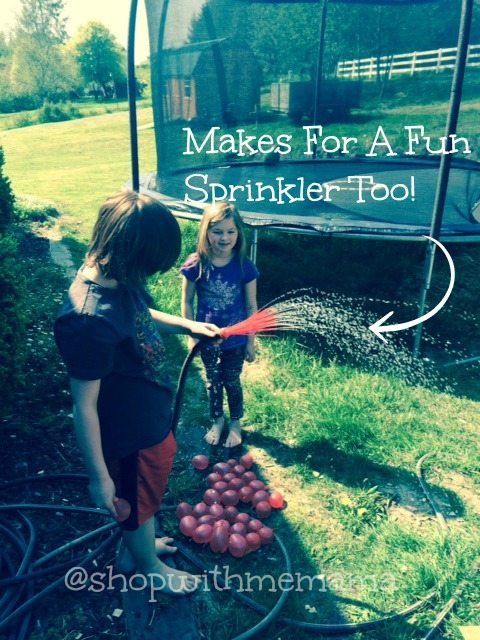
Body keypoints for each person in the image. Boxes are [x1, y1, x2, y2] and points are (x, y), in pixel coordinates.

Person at [54, 191, 219, 594]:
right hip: (128, 439)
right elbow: (84, 406)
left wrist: (188, 326)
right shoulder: (87, 321)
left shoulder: (115, 276)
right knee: (134, 504)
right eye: (149, 267)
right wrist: (98, 478)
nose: (150, 277)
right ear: (130, 255)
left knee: (145, 500)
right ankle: (148, 568)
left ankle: (136, 552)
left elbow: (139, 316)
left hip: (147, 424)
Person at [180, 201, 259, 448]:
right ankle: (217, 420)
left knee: (232, 380)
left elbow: (250, 306)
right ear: (205, 232)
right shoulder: (196, 264)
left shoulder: (244, 266)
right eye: (217, 231)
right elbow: (187, 302)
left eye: (230, 232)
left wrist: (251, 341)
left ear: (239, 233)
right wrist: (192, 333)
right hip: (207, 339)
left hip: (236, 340)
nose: (224, 238)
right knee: (213, 381)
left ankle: (235, 422)